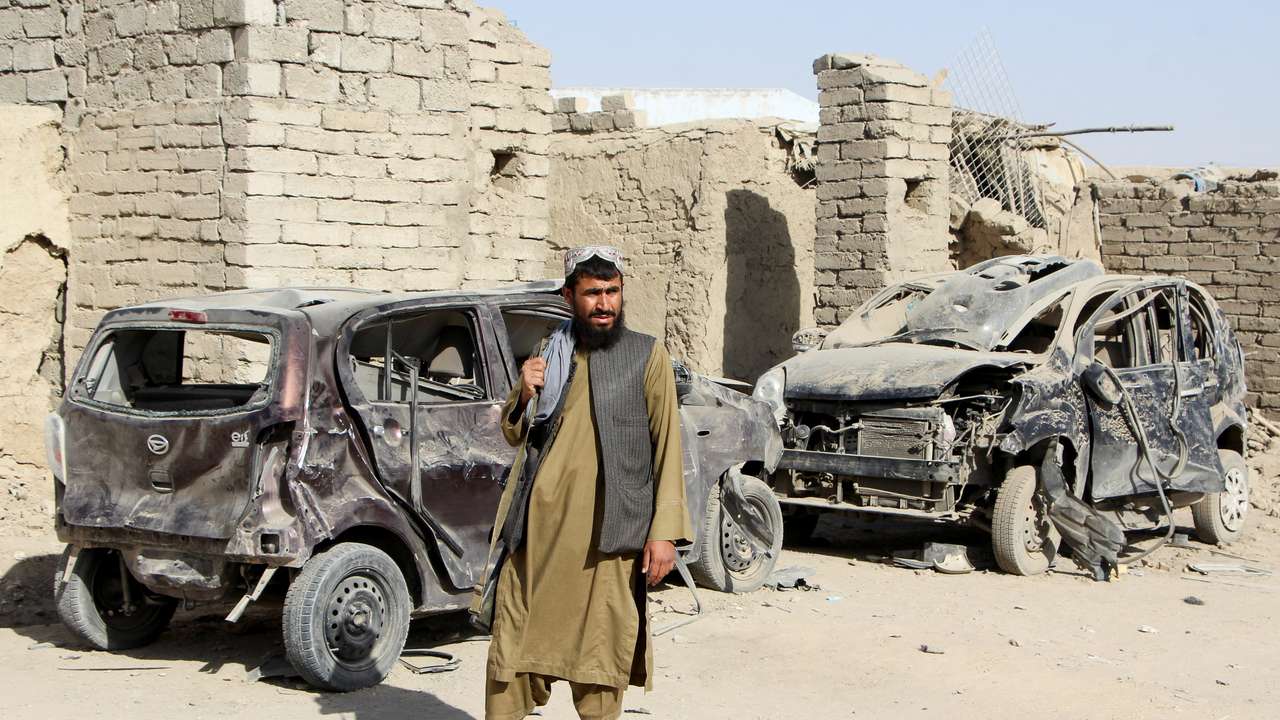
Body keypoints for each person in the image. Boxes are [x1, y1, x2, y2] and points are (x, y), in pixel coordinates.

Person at [478, 246, 692, 720]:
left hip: (610, 538)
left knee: (598, 661)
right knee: (512, 658)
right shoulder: (548, 350)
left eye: (612, 292)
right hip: (539, 536)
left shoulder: (646, 353)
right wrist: (523, 390)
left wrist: (664, 531)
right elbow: (517, 432)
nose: (604, 303)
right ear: (568, 296)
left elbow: (668, 446)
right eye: (592, 293)